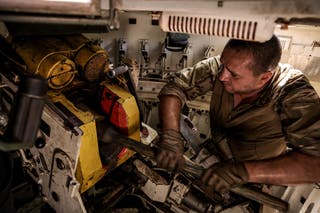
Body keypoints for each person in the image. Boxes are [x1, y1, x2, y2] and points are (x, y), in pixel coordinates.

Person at [156, 35, 320, 193]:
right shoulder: (228, 66)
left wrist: (241, 172)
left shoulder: (293, 92)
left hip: (254, 181)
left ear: (264, 78)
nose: (222, 76)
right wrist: (171, 136)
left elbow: (315, 163)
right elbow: (175, 88)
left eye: (233, 75)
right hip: (212, 157)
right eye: (223, 66)